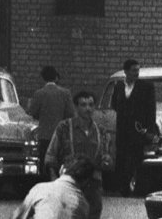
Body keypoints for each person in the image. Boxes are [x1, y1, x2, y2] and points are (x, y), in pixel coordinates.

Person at [46, 91, 115, 219]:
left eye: (91, 105)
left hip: (93, 185)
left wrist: (107, 160)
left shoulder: (101, 131)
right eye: (83, 105)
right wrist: (54, 179)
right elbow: (51, 155)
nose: (88, 109)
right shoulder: (64, 127)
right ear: (76, 107)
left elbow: (108, 158)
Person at [106, 60, 157, 196]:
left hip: (138, 129)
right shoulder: (119, 86)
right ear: (126, 71)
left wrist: (149, 129)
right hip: (122, 129)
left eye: (138, 70)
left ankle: (137, 189)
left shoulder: (146, 87)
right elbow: (115, 104)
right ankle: (122, 188)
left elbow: (151, 110)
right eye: (133, 70)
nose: (136, 73)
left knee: (136, 158)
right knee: (121, 157)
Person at [28, 66, 75, 177]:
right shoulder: (65, 93)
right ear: (56, 77)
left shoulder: (39, 93)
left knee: (45, 166)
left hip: (44, 135)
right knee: (59, 165)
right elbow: (70, 114)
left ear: (43, 78)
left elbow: (32, 112)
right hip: (61, 135)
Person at [19, 157, 100, 219]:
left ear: (62, 169)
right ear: (86, 181)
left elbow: (18, 216)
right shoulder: (83, 205)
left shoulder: (39, 188)